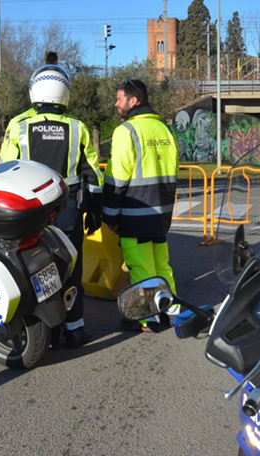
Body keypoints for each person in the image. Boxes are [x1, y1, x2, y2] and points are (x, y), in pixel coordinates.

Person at [0, 64, 102, 349]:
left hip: (30, 211)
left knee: (33, 267)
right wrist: (94, 208)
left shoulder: (19, 126)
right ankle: (74, 329)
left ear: (35, 90)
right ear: (64, 92)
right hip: (67, 208)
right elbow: (92, 174)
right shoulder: (77, 127)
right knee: (70, 266)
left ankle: (44, 330)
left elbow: (4, 169)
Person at [104, 79, 179, 332]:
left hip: (135, 214)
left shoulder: (126, 131)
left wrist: (110, 214)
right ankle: (174, 310)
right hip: (161, 213)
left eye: (119, 98)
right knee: (162, 265)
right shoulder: (164, 130)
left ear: (133, 101)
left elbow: (116, 180)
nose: (116, 103)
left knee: (141, 268)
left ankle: (149, 318)